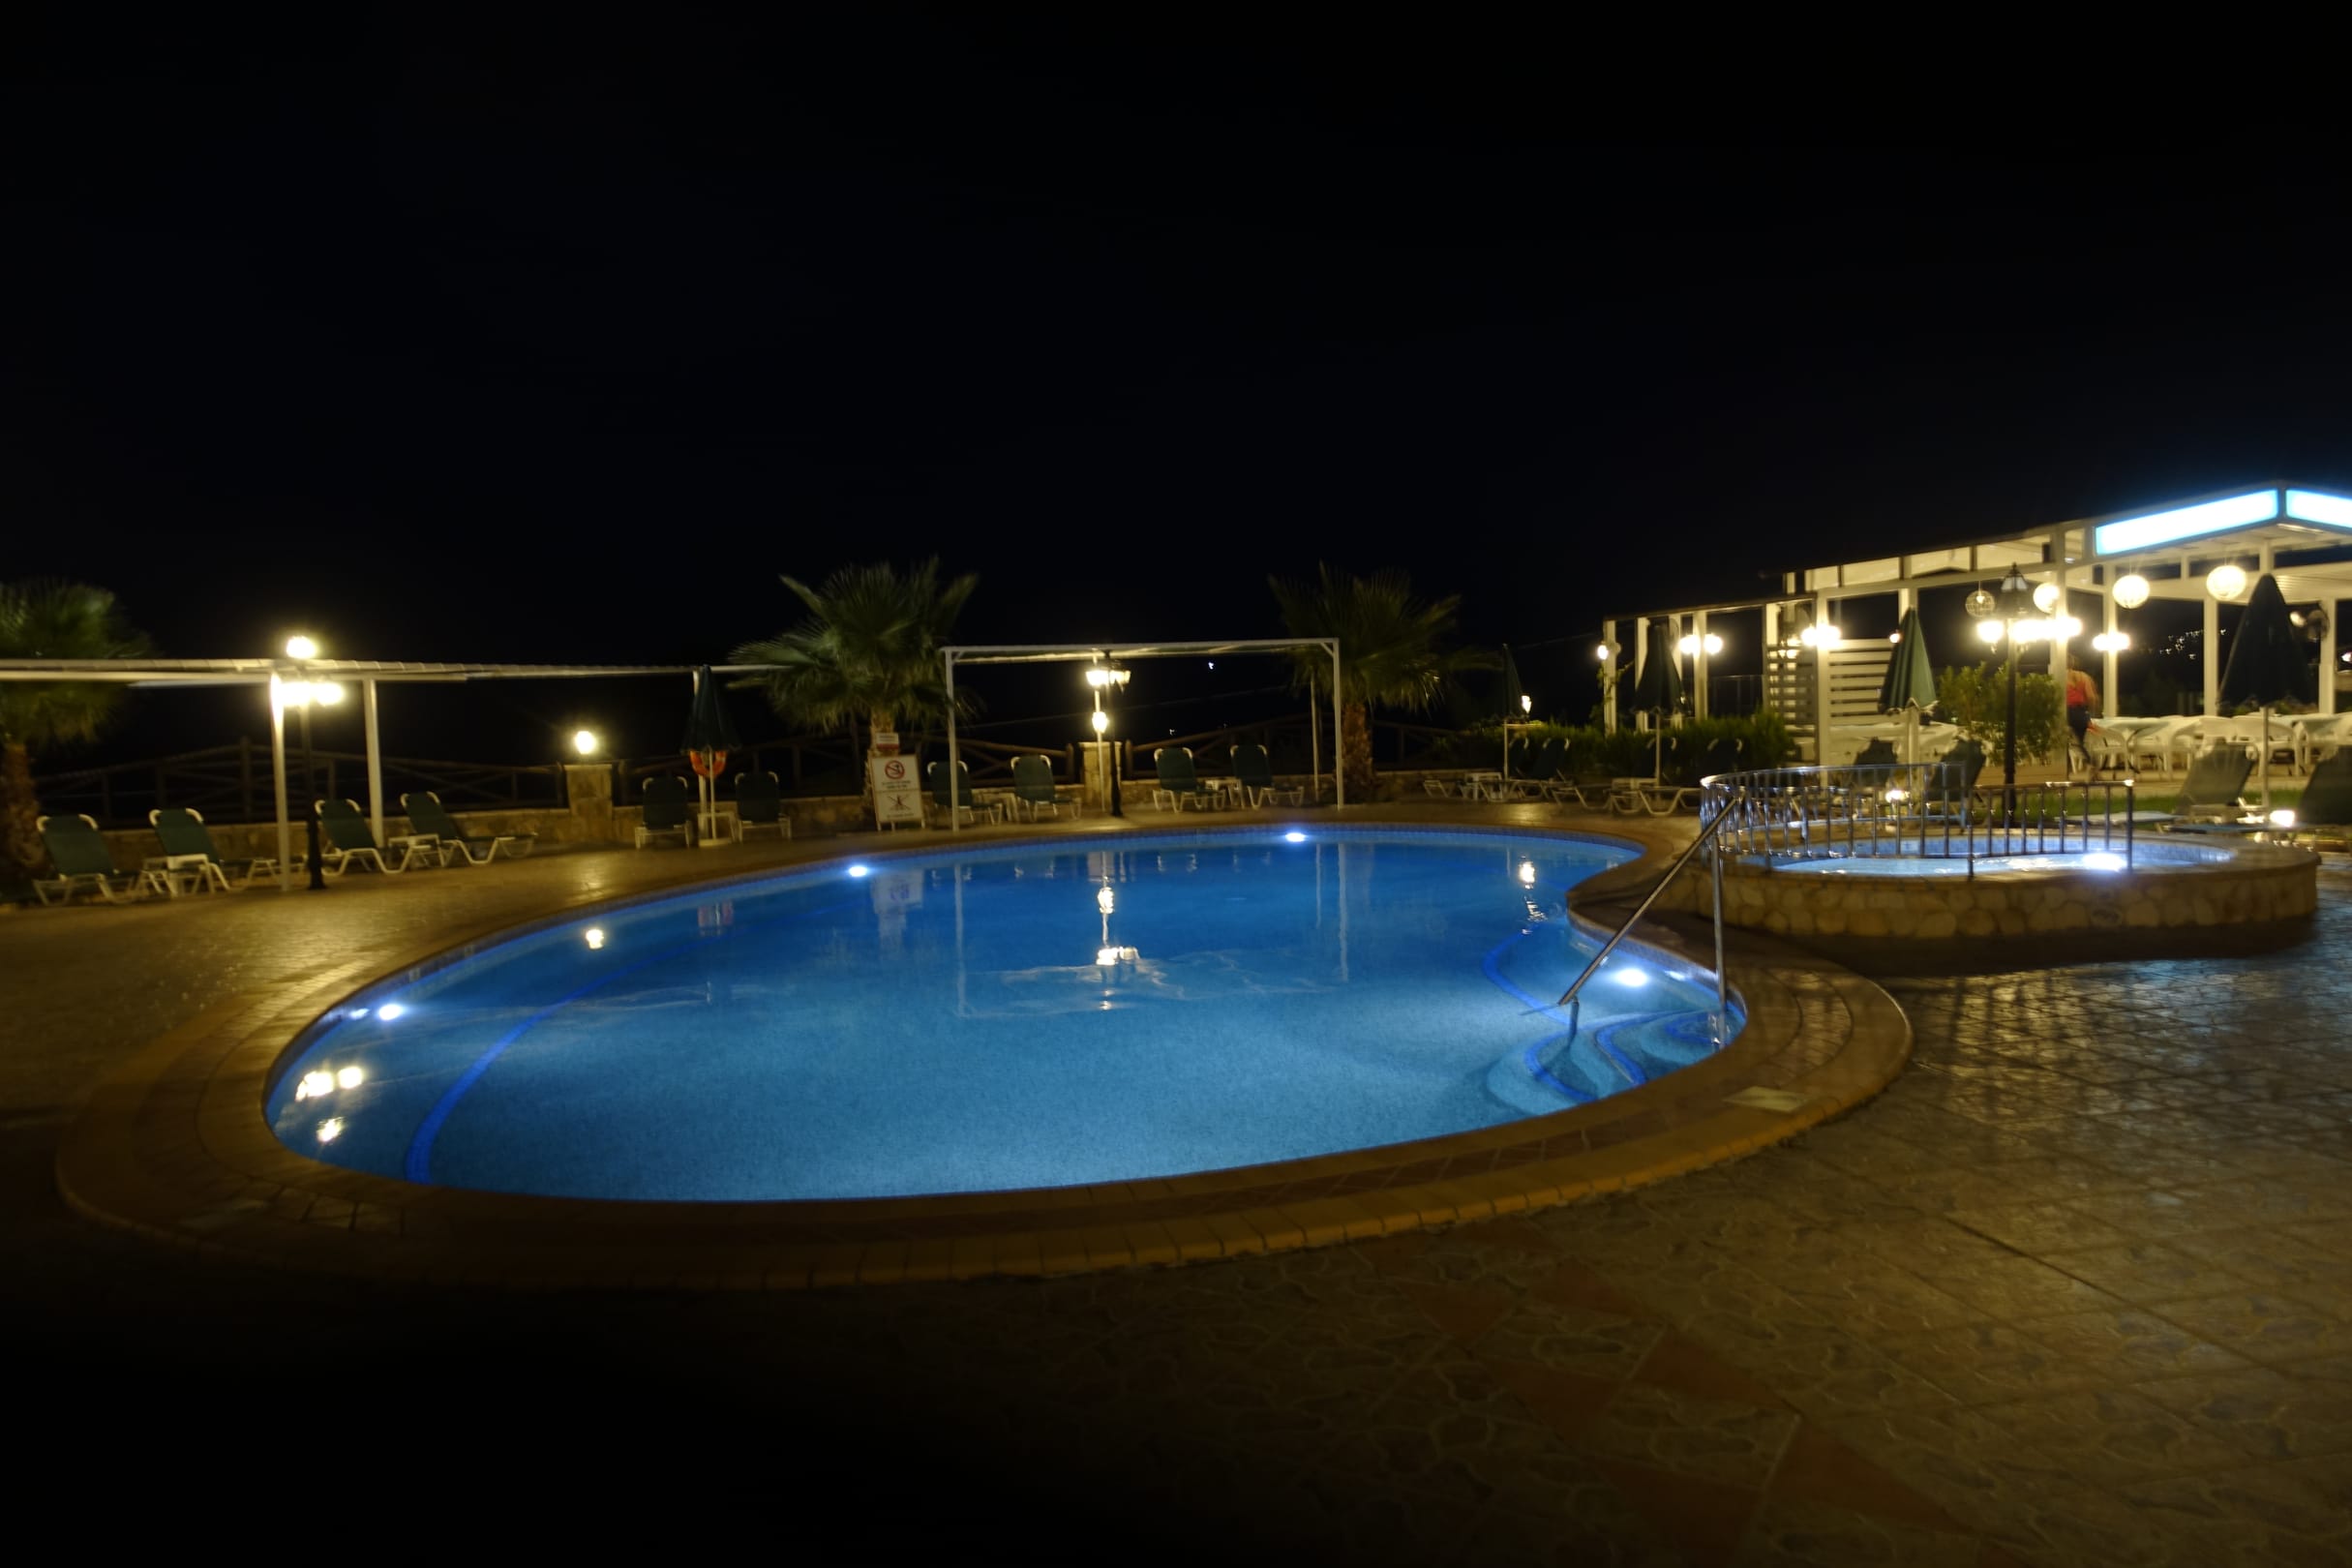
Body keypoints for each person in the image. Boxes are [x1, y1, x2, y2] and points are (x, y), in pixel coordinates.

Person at [2066, 662, 2098, 768]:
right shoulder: (2083, 676)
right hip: (2081, 712)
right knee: (2080, 742)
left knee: (2065, 743)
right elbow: (2091, 697)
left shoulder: (2061, 676)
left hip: (2068, 712)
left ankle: (2069, 767)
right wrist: (2090, 713)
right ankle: (2090, 762)